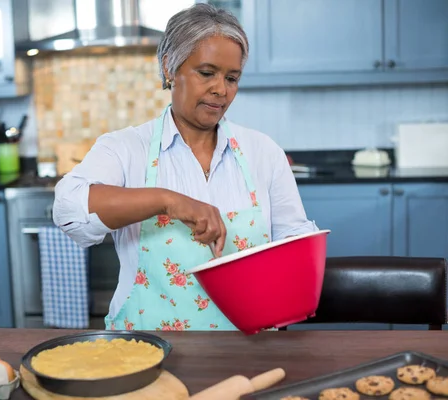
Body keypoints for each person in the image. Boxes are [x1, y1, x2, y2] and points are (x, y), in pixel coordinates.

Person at [53, 3, 318, 331]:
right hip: (146, 352)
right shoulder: (125, 148)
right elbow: (68, 209)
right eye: (207, 73)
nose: (221, 89)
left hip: (250, 349)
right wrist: (167, 200)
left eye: (232, 78)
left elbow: (293, 239)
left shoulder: (263, 152)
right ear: (169, 68)